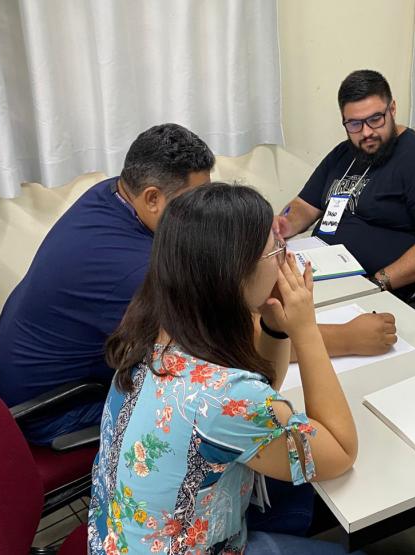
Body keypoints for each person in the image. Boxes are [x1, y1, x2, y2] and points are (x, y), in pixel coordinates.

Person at [0, 123, 396, 447]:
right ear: (152, 197)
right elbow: (234, 341)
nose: (203, 212)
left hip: (62, 372)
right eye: (194, 200)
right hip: (57, 410)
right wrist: (346, 336)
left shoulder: (115, 194)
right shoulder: (134, 270)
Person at [89, 183, 360, 554]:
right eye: (276, 250)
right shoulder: (227, 396)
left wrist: (275, 327)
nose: (285, 261)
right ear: (237, 274)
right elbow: (341, 452)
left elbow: (264, 386)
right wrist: (305, 329)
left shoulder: (153, 327)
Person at [275, 69, 415, 296]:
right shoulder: (345, 153)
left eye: (375, 119)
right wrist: (286, 223)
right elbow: (305, 204)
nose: (366, 133)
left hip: (391, 289)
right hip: (328, 273)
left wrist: (377, 283)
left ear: (392, 109)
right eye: (354, 124)